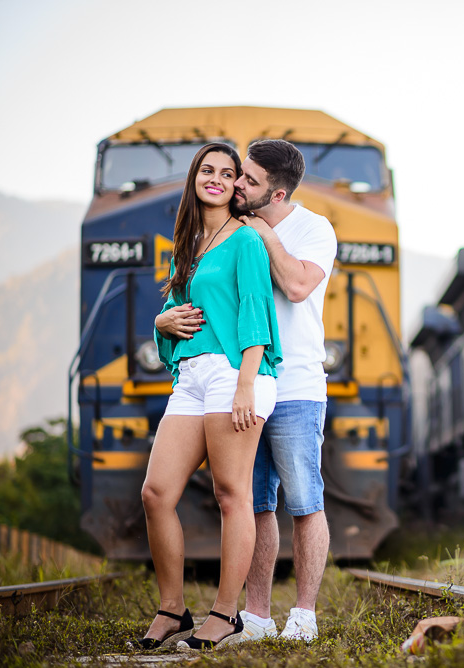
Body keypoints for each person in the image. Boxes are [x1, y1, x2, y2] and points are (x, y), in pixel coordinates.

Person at [132, 142, 282, 651]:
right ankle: (172, 609)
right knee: (156, 494)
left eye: (226, 172)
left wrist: (245, 384)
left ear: (236, 183)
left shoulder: (246, 240)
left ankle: (225, 614)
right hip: (192, 379)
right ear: (195, 178)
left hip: (235, 372)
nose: (216, 178)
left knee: (230, 494)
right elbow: (176, 325)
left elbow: (256, 313)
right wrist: (160, 322)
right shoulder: (188, 245)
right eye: (207, 170)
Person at [231, 139, 338, 642]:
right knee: (255, 504)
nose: (237, 184)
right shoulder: (231, 224)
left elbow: (297, 287)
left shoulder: (315, 229)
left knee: (304, 501)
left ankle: (304, 616)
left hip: (297, 385)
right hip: (245, 386)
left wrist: (264, 234)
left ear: (277, 194)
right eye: (240, 173)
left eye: (249, 180)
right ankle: (256, 617)